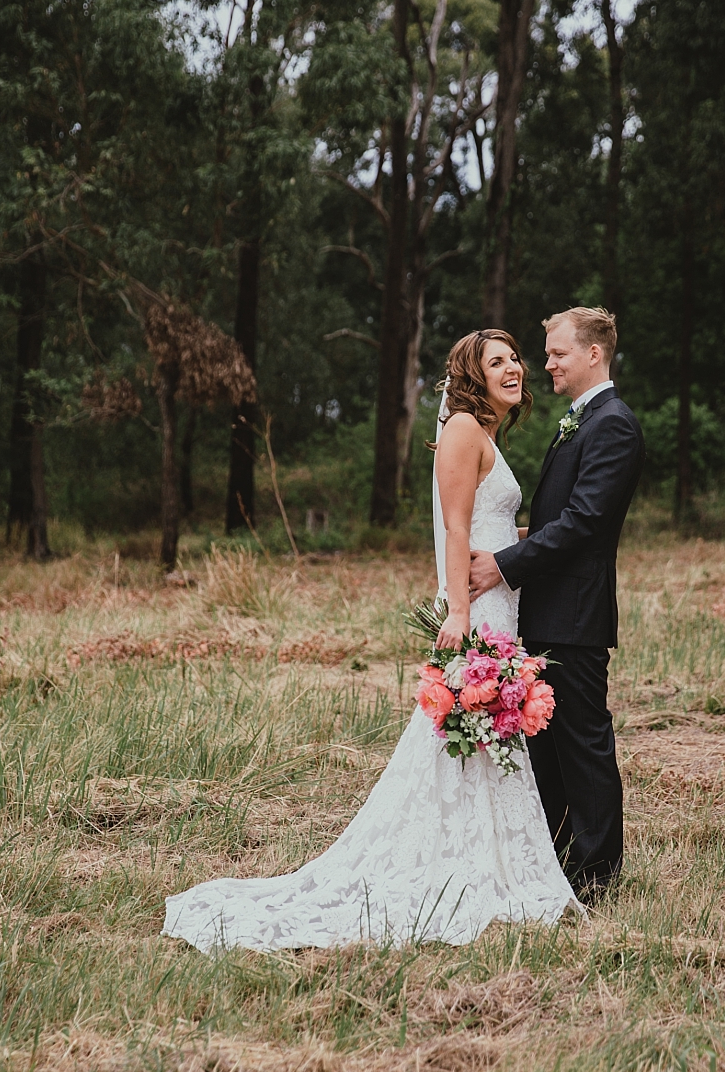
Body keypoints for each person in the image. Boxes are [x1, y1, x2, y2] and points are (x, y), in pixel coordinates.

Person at [162, 329, 581, 953]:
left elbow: (488, 526)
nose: (514, 368)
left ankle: (486, 860)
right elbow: (456, 530)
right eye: (497, 361)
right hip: (479, 606)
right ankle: (451, 866)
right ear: (473, 375)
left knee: (483, 734)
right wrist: (458, 614)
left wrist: (536, 543)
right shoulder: (464, 429)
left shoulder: (485, 434)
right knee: (466, 729)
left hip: (501, 598)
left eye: (515, 358)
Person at [470, 307, 645, 898]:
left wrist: (503, 564)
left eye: (557, 353)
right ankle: (560, 865)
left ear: (594, 354)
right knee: (549, 749)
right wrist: (513, 538)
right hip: (550, 611)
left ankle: (596, 877)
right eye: (546, 353)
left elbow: (585, 522)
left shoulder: (613, 424)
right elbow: (560, 518)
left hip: (575, 615)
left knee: (583, 744)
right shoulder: (582, 419)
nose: (545, 363)